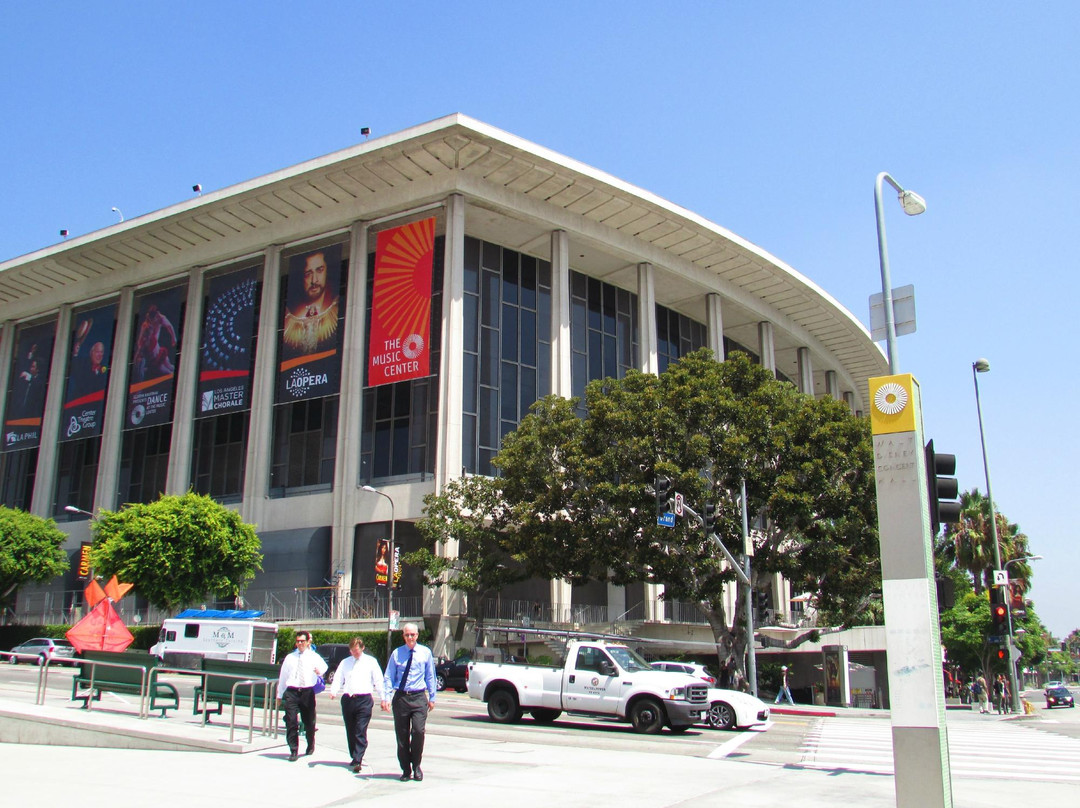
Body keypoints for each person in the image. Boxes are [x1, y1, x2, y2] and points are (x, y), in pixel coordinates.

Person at [381, 622, 436, 782]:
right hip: (401, 698)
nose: (410, 637)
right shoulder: (397, 654)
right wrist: (386, 697)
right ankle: (406, 769)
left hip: (419, 697)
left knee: (418, 732)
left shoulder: (425, 652)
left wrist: (432, 697)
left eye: (413, 634)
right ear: (403, 636)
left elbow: (430, 675)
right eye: (407, 635)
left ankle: (417, 765)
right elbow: (389, 676)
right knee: (402, 736)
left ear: (417, 635)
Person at [329, 637, 384, 773]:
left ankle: (358, 758)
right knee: (351, 730)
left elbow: (378, 680)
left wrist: (384, 698)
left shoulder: (371, 662)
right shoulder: (345, 663)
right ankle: (354, 755)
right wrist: (334, 691)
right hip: (348, 699)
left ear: (362, 648)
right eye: (353, 651)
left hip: (364, 699)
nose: (355, 653)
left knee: (360, 729)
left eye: (357, 651)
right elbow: (338, 678)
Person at [276, 630, 328, 761]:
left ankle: (310, 743)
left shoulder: (313, 656)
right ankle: (293, 750)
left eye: (302, 641)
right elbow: (283, 677)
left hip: (307, 692)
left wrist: (319, 671)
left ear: (307, 642)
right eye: (298, 641)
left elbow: (324, 666)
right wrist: (279, 694)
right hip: (292, 691)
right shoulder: (290, 658)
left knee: (309, 721)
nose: (300, 644)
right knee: (291, 720)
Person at [283, 249, 339, 356]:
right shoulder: (289, 318)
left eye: (319, 270)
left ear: (327, 270)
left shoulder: (336, 308)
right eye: (308, 274)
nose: (314, 280)